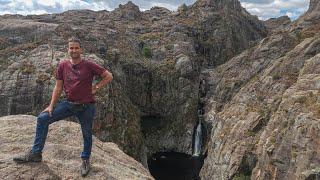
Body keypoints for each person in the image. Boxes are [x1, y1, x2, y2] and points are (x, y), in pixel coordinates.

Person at [13, 37, 113, 177]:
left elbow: (108, 76)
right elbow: (58, 87)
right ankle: (36, 153)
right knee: (42, 118)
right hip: (69, 104)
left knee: (86, 134)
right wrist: (51, 106)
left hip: (86, 106)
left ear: (81, 49)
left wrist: (96, 87)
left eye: (76, 48)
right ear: (68, 50)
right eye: (71, 48)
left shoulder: (89, 65)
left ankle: (85, 160)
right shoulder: (63, 65)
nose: (73, 50)